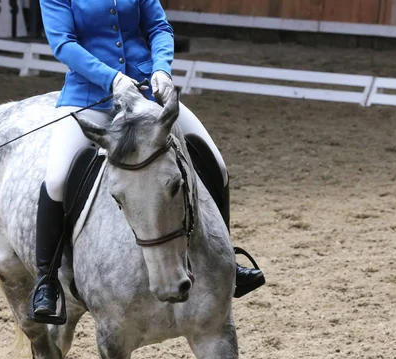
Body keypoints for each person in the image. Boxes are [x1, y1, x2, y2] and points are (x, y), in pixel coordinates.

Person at [31, 0, 265, 323]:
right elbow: (63, 43)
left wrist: (161, 69)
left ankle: (226, 260)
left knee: (215, 162)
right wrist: (112, 79)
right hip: (90, 97)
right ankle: (47, 280)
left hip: (145, 92)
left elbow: (159, 27)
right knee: (56, 178)